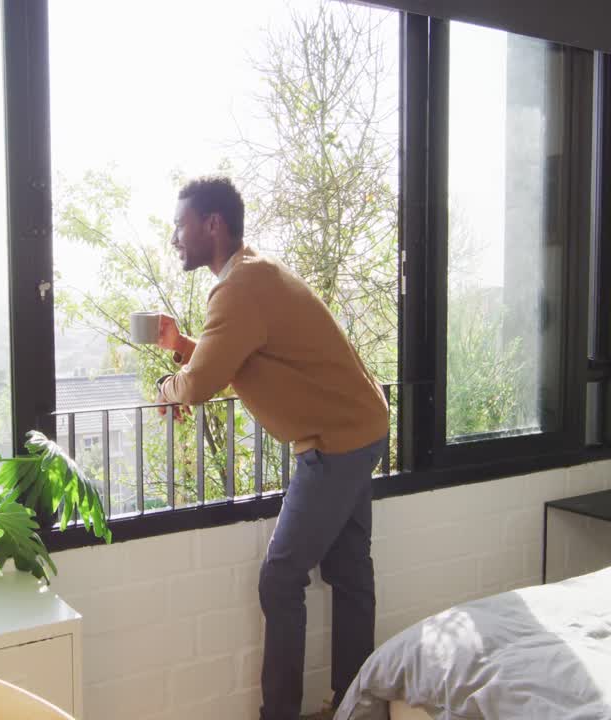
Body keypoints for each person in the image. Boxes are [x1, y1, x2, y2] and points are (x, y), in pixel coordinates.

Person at [154, 176, 389, 720]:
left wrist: (170, 388)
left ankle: (281, 713)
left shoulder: (239, 287)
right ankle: (357, 703)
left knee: (281, 576)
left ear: (212, 225)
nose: (174, 237)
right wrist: (183, 346)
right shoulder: (251, 274)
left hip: (336, 442)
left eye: (180, 225)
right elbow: (244, 354)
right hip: (361, 424)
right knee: (349, 568)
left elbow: (205, 381)